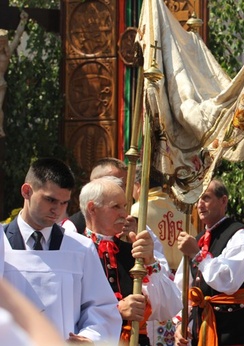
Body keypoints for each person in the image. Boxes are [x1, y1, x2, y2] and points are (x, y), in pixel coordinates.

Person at [2, 158, 121, 343]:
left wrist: (88, 337)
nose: (56, 210)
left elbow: (102, 308)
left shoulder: (80, 248)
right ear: (27, 191)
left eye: (64, 203)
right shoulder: (2, 243)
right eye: (50, 200)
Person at [80, 176, 182, 345]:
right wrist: (116, 312)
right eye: (116, 207)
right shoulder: (75, 251)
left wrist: (149, 260)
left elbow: (168, 307)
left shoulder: (132, 251)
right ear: (92, 209)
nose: (124, 214)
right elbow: (67, 309)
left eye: (125, 206)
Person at [174, 178, 244, 345]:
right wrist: (181, 323)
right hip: (201, 332)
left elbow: (228, 281)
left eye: (206, 198)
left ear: (223, 201)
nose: (199, 205)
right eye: (198, 199)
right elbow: (182, 288)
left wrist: (197, 254)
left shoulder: (240, 235)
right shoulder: (198, 240)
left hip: (235, 333)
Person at [131, 164, 194, 343]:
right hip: (179, 287)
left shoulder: (138, 211)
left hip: (154, 286)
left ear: (138, 186)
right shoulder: (180, 211)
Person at [0, 10, 28, 138]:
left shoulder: (8, 52)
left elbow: (17, 36)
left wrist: (22, 21)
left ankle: (0, 128)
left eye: (2, 41)